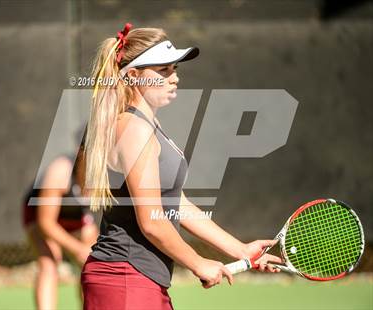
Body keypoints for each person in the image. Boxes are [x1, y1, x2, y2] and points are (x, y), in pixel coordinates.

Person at [81, 23, 282, 310]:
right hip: (125, 281)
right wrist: (197, 262)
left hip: (138, 281)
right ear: (135, 76)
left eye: (174, 69)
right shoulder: (134, 128)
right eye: (163, 71)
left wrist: (241, 250)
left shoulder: (147, 123)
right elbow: (152, 221)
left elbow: (176, 204)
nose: (174, 78)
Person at [23, 139, 98, 310]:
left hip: (74, 216)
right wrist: (78, 249)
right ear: (81, 152)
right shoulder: (60, 170)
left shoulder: (105, 171)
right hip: (40, 215)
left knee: (91, 262)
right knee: (49, 261)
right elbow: (46, 223)